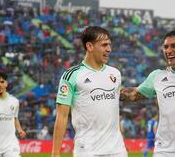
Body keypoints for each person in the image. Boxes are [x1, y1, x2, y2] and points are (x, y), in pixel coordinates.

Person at [52, 26, 127, 157]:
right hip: (87, 150)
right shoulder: (71, 75)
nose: (109, 49)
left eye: (109, 44)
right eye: (104, 45)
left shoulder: (115, 73)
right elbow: (62, 116)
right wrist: (55, 153)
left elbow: (112, 109)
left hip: (117, 150)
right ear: (90, 47)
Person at [121, 30, 175, 156]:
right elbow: (133, 94)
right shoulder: (157, 76)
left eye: (174, 46)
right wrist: (108, 90)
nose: (168, 50)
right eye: (166, 47)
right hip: (164, 150)